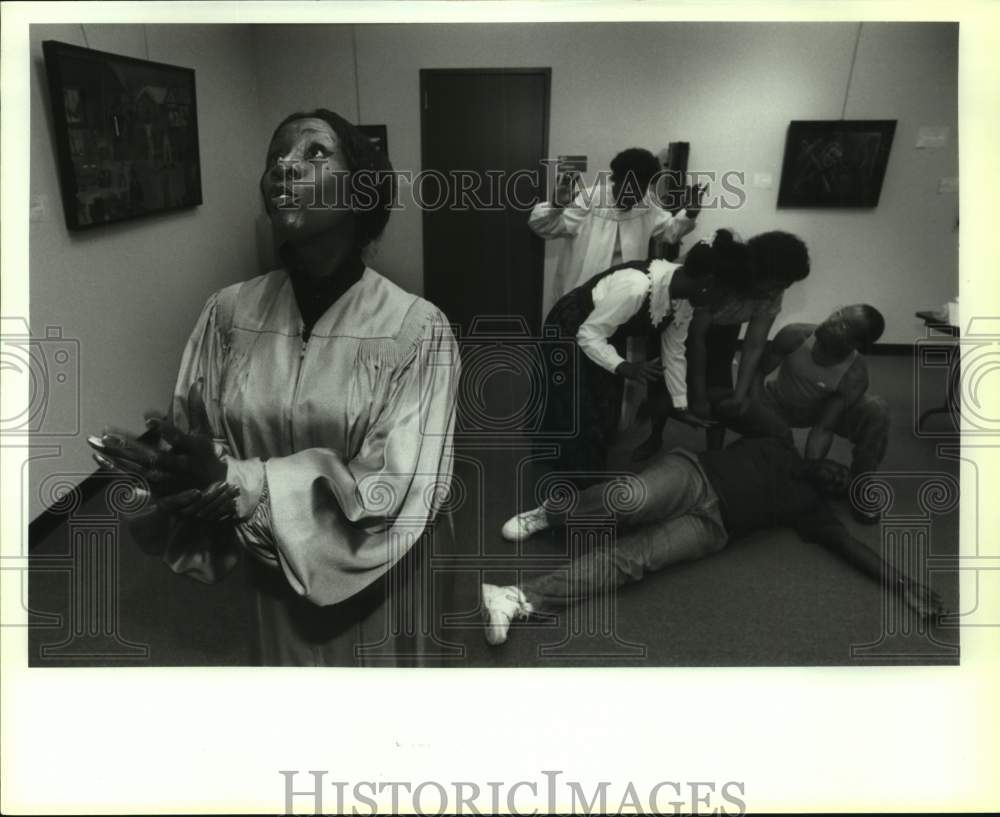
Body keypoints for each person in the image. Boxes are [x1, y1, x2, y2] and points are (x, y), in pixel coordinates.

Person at [88, 108, 461, 666]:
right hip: (275, 574)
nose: (286, 165)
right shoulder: (228, 314)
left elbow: (395, 488)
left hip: (382, 575)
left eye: (315, 152)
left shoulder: (416, 329)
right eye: (274, 157)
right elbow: (202, 436)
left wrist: (236, 482)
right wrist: (179, 475)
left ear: (362, 189)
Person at [482, 435, 944, 645]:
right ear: (827, 456)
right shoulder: (778, 443)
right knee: (631, 499)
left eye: (840, 483)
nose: (835, 475)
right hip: (694, 474)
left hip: (712, 528)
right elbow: (749, 396)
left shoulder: (811, 510)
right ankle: (552, 514)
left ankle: (516, 598)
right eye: (840, 469)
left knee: (634, 562)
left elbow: (849, 547)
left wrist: (903, 584)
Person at [538, 235, 738, 481]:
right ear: (707, 283)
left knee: (605, 401)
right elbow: (589, 334)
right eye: (720, 297)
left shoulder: (685, 297)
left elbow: (674, 352)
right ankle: (574, 479)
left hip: (608, 332)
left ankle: (583, 464)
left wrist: (680, 404)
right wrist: (623, 366)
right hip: (573, 326)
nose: (717, 306)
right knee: (577, 401)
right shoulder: (636, 287)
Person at [633, 230, 811, 461]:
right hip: (678, 323)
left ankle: (714, 453)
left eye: (787, 285)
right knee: (664, 382)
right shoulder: (719, 271)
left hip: (725, 330)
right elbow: (696, 338)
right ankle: (655, 436)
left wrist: (739, 394)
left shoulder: (774, 291)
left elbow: (755, 344)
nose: (779, 291)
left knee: (720, 390)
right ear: (757, 271)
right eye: (777, 283)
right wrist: (697, 398)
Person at [718, 304, 890, 523]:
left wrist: (812, 473)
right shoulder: (795, 335)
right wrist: (761, 413)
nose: (831, 320)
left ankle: (861, 483)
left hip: (821, 410)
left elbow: (823, 428)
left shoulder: (855, 374)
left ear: (853, 343)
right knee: (761, 457)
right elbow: (759, 373)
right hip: (779, 400)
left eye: (843, 324)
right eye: (837, 313)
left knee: (876, 410)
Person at [529, 147, 701, 303]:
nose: (633, 195)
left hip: (622, 298)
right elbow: (544, 227)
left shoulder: (647, 206)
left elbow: (670, 231)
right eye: (629, 187)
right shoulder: (591, 199)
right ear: (615, 180)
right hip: (580, 296)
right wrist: (556, 206)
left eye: (641, 189)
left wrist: (690, 214)